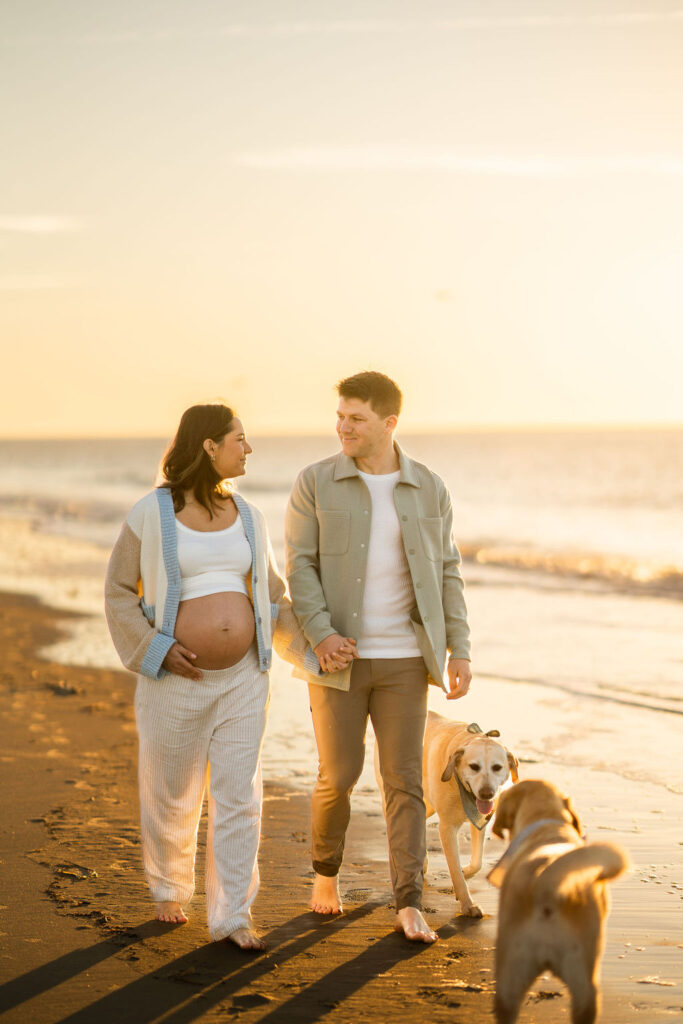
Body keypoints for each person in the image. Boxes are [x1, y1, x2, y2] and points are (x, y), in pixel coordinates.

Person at [105, 404, 352, 951]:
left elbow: (269, 597)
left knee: (240, 796)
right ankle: (170, 888)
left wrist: (318, 648)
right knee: (173, 792)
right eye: (240, 439)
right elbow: (119, 591)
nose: (249, 448)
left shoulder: (249, 515)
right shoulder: (151, 513)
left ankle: (234, 915)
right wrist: (156, 650)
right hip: (176, 681)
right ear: (209, 446)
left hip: (244, 679)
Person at [285, 371, 472, 944]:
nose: (343, 426)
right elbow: (300, 566)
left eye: (356, 418)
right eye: (339, 416)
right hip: (336, 661)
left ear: (389, 424)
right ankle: (325, 874)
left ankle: (408, 901)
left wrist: (459, 647)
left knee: (404, 783)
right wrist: (320, 635)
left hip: (405, 661)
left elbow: (447, 570)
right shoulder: (315, 482)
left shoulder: (428, 487)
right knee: (337, 777)